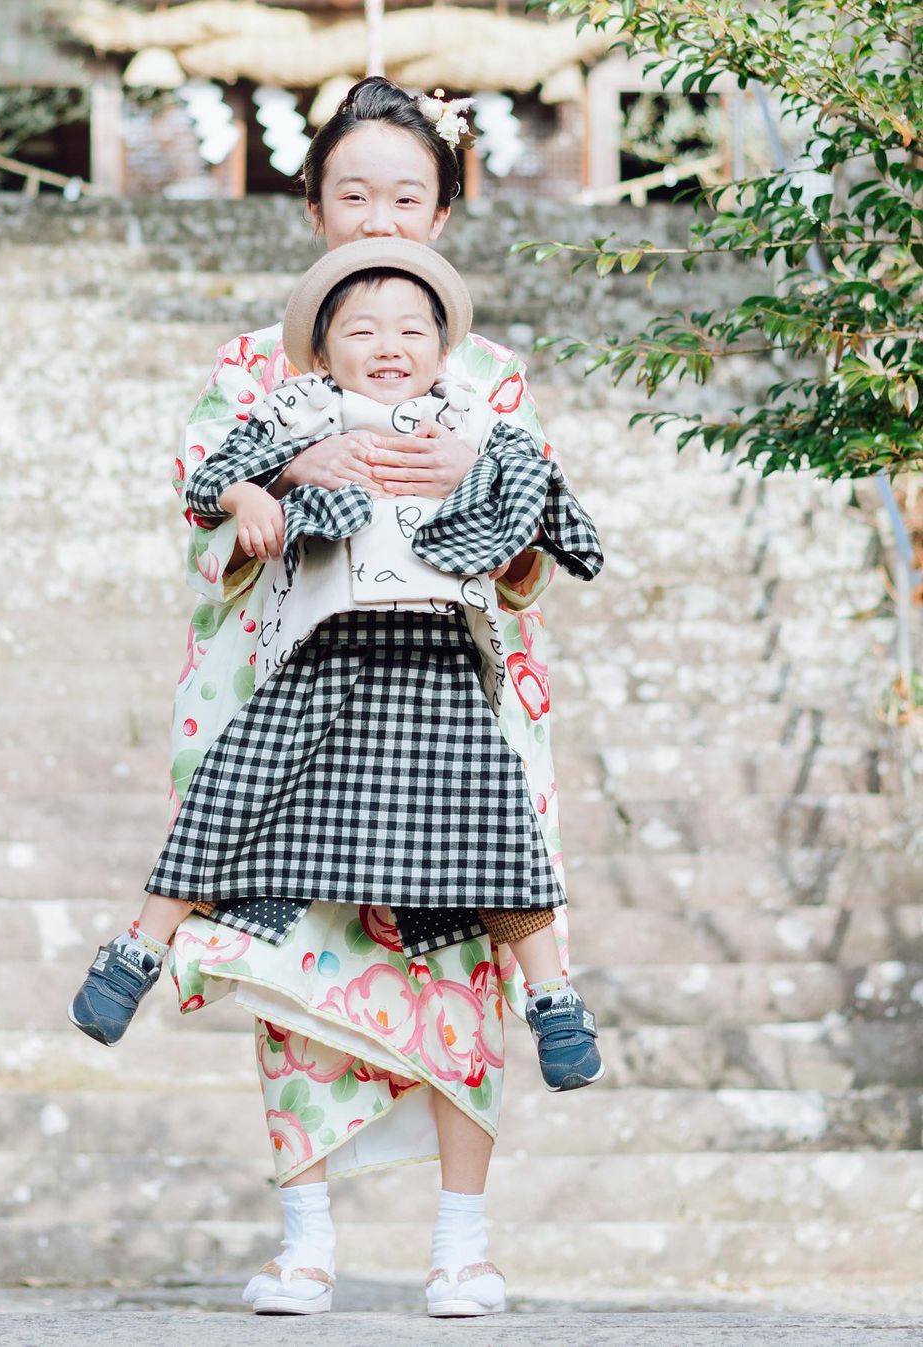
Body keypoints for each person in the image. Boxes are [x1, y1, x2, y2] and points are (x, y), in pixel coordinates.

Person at [69, 80, 604, 1318]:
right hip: (287, 685)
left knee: (470, 951)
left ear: (446, 213)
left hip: (454, 691)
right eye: (351, 194)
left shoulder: (490, 381)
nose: (378, 216)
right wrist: (275, 478)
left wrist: (484, 478)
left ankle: (460, 1246)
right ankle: (304, 1240)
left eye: (406, 196)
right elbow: (209, 516)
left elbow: (528, 561)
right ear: (311, 208)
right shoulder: (257, 370)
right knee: (295, 952)